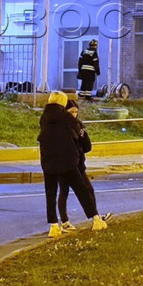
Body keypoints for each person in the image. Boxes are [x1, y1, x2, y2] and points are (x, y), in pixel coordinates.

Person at [38, 91, 106, 237]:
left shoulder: (44, 118)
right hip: (67, 161)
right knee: (82, 190)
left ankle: (54, 226)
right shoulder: (66, 117)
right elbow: (78, 135)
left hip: (48, 161)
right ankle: (96, 219)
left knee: (50, 195)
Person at [56, 98, 98, 232]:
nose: (74, 114)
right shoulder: (61, 126)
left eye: (75, 112)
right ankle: (65, 221)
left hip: (78, 165)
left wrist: (84, 136)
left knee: (88, 190)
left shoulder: (78, 125)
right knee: (64, 192)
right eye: (71, 112)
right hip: (65, 165)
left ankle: (95, 217)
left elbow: (86, 147)